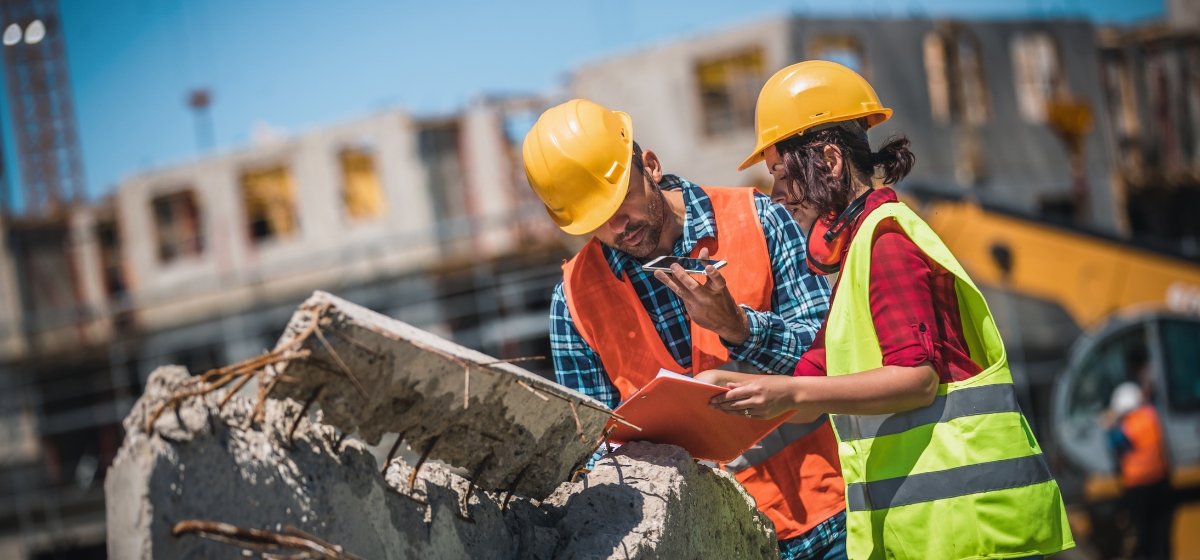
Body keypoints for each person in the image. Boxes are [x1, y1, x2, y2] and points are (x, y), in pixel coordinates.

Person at [700, 60, 1076, 559]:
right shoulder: (856, 253)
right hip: (936, 531)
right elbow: (811, 391)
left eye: (781, 174)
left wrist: (791, 388)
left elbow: (916, 380)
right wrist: (712, 389)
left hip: (973, 528)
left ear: (830, 161)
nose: (778, 195)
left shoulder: (886, 241)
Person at [524, 98, 846, 559]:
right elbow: (591, 455)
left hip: (830, 518)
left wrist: (740, 328)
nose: (618, 227)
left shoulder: (759, 219)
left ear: (650, 165)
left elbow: (835, 362)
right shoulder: (574, 301)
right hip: (713, 545)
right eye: (595, 221)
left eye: (619, 203)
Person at [1101, 354, 1173, 559]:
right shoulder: (1151, 415)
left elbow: (1116, 444)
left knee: (1143, 537)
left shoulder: (1125, 426)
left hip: (1137, 487)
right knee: (1162, 538)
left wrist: (1110, 421)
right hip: (1161, 481)